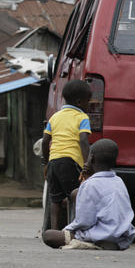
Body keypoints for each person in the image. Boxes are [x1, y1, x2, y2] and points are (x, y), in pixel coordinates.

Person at [43, 139, 135, 250]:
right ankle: (108, 243)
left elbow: (85, 222)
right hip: (121, 238)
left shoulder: (90, 185)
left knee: (48, 235)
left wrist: (67, 230)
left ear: (91, 158)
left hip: (100, 235)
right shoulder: (119, 181)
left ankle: (96, 243)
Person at [41, 79, 91, 230]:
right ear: (80, 102)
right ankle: (73, 231)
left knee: (55, 200)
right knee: (75, 197)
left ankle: (54, 232)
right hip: (71, 162)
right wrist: (87, 163)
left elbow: (44, 142)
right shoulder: (82, 117)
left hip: (53, 162)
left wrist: (45, 162)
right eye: (88, 101)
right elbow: (83, 140)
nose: (89, 104)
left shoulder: (55, 117)